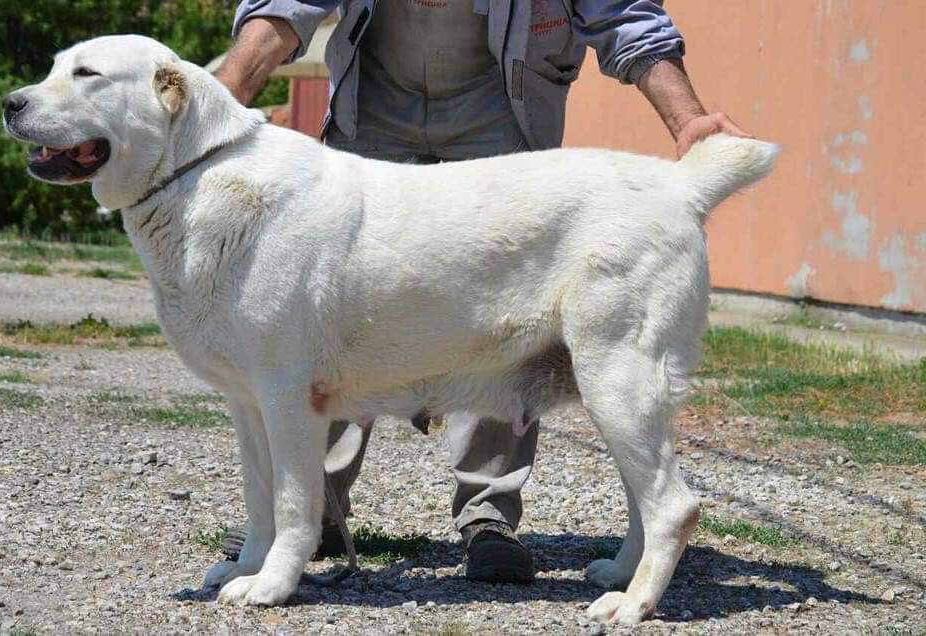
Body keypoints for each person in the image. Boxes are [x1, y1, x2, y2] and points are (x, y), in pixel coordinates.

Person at [215, 0, 751, 584]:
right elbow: (283, 8)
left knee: (501, 309)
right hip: (376, 109)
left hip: (499, 106)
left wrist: (688, 120)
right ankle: (308, 516)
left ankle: (488, 515)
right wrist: (223, 97)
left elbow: (624, 15)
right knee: (335, 309)